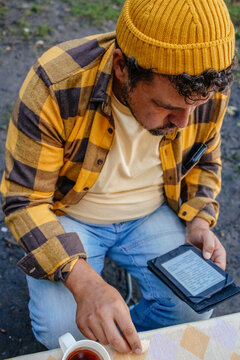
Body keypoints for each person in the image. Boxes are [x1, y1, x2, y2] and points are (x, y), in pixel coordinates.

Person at [0, 0, 236, 355]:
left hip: (151, 213)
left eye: (194, 108)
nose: (184, 123)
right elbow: (24, 200)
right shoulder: (56, 83)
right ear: (122, 67)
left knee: (193, 307)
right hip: (69, 215)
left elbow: (205, 161)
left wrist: (200, 221)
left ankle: (120, 337)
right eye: (168, 107)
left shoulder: (204, 87)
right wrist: (84, 283)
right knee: (64, 333)